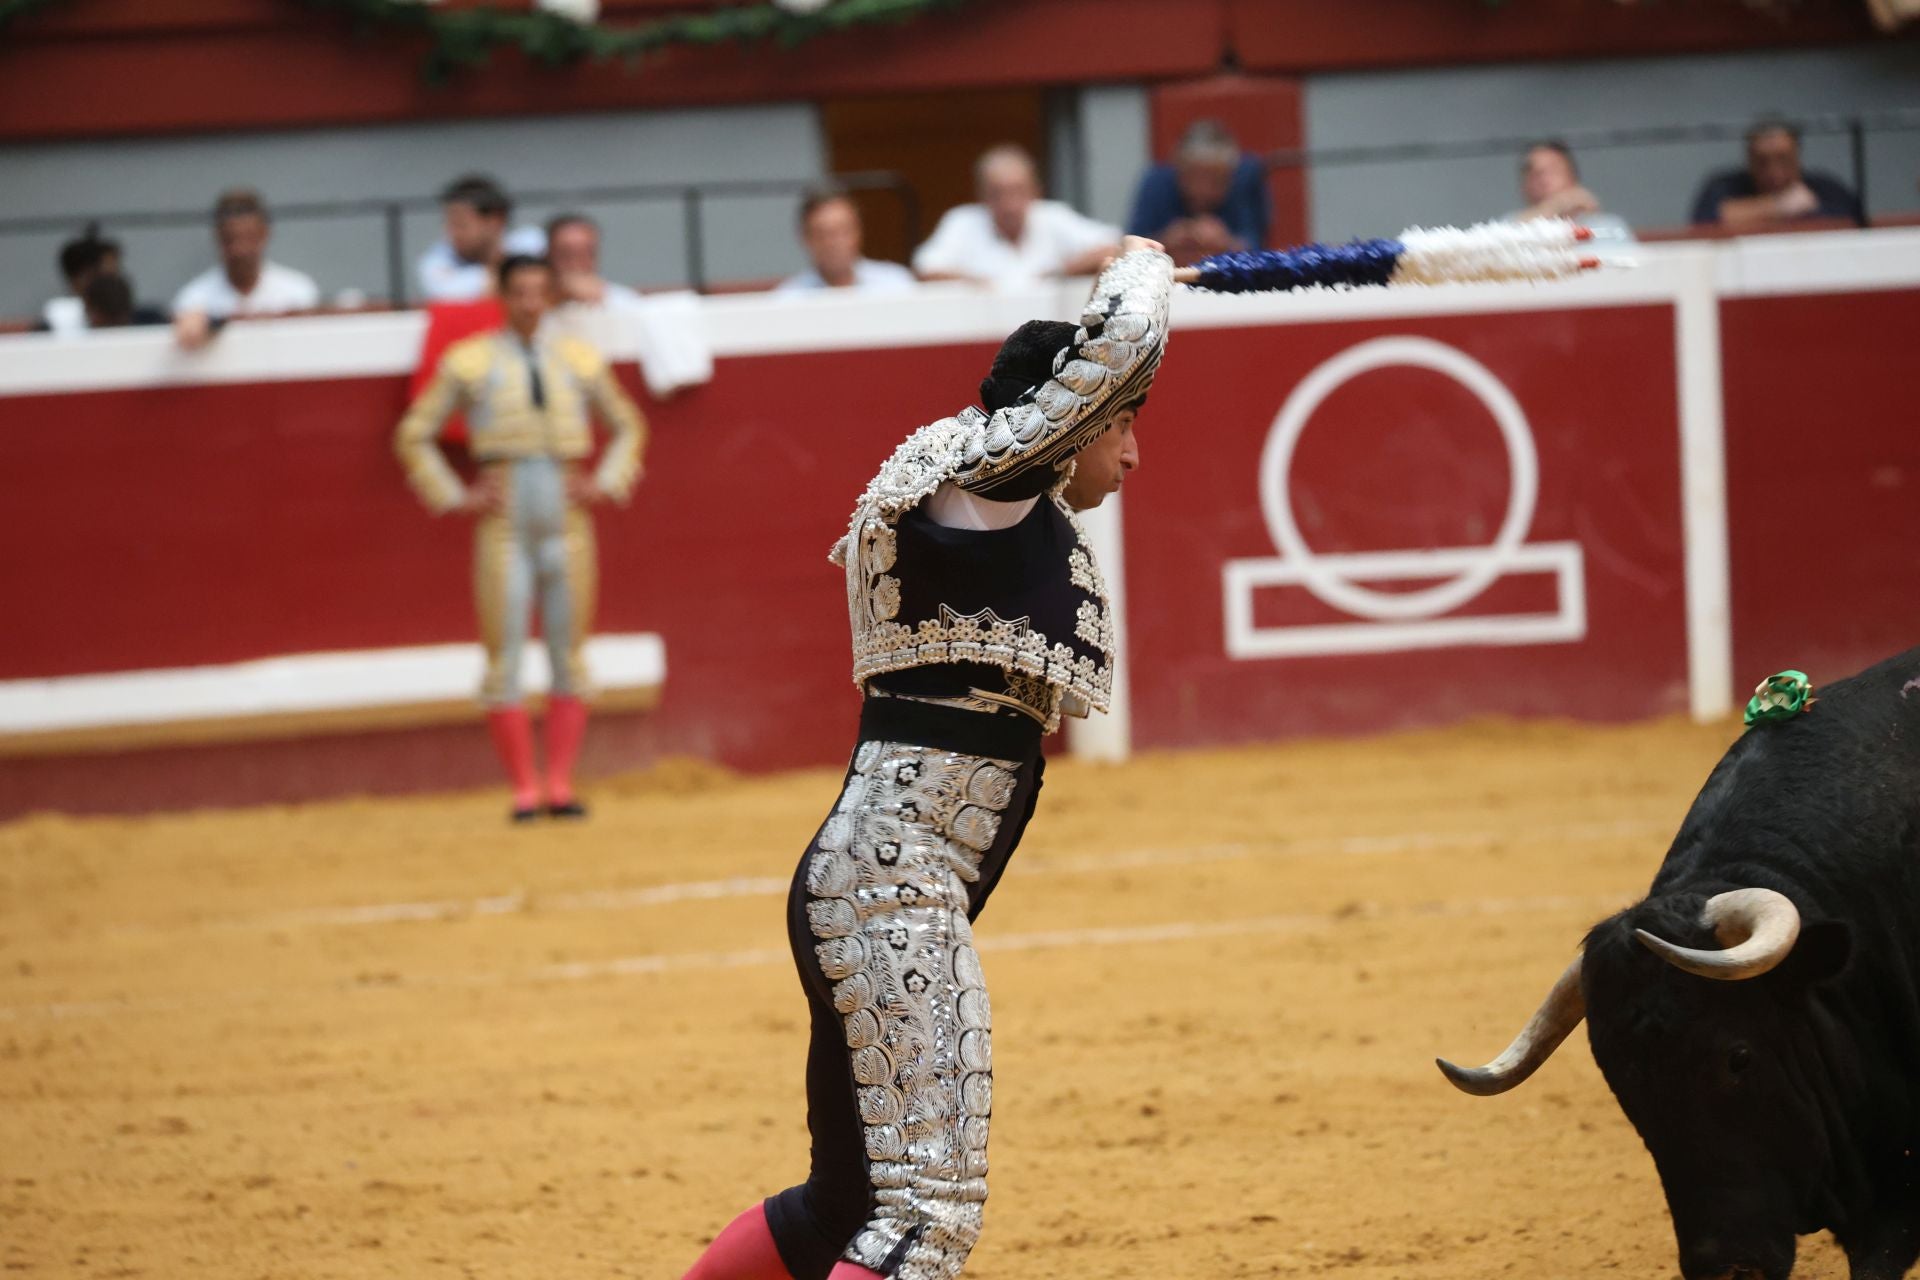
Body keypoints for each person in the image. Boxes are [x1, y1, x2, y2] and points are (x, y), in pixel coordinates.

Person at [679, 236, 1171, 1280]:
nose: (1131, 452)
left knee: (843, 1205)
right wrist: (1144, 260)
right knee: (926, 1219)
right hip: (895, 891)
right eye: (1122, 424)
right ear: (1068, 417)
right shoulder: (979, 482)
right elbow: (1122, 337)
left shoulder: (991, 504)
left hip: (869, 880)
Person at [393, 255, 649, 822]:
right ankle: (523, 790)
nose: (531, 303)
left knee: (569, 652)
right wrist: (456, 495)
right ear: (504, 299)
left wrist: (605, 480)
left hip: (567, 517)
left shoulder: (578, 359)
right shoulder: (470, 361)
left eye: (539, 293)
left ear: (549, 299)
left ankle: (559, 784)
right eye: (521, 294)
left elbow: (630, 424)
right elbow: (415, 433)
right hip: (503, 521)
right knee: (503, 653)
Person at [911, 144, 1120, 286]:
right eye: (997, 193)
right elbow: (925, 269)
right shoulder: (962, 221)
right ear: (982, 196)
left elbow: (1113, 247)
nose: (1009, 204)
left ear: (1035, 192)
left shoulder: (1054, 216)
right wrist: (978, 285)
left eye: (1018, 191)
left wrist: (1059, 273)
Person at [1125, 118, 1270, 263]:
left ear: (1231, 175)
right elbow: (1131, 249)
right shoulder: (1156, 183)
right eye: (1193, 178)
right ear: (1178, 170)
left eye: (1215, 181)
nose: (1203, 190)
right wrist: (1165, 241)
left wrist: (1226, 242)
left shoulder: (1247, 178)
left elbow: (1258, 248)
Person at [171, 189, 320, 319]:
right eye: (231, 239)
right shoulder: (193, 301)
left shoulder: (298, 293)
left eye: (249, 238)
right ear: (218, 238)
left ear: (264, 234)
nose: (240, 250)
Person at [1690, 118, 1863, 229]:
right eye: (1762, 161)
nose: (1773, 171)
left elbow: (1853, 222)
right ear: (1749, 161)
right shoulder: (1723, 186)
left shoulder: (1825, 187)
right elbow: (1704, 221)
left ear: (1798, 156)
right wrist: (1777, 206)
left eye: (1783, 159)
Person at [416, 174, 546, 302]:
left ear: (496, 220)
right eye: (448, 223)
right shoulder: (435, 259)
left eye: (461, 224)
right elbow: (447, 295)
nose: (451, 232)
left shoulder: (533, 241)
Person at [775, 184, 917, 296]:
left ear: (858, 232)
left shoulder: (896, 284)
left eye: (842, 231)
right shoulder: (788, 298)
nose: (833, 243)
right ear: (805, 237)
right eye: (822, 234)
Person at [1509, 140, 1634, 245]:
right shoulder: (1510, 225)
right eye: (1535, 174)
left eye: (1553, 170)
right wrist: (1555, 205)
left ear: (1573, 177)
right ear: (1524, 186)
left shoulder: (1609, 227)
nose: (1544, 180)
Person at [545, 212, 646, 311]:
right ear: (548, 255)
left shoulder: (624, 300)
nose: (576, 264)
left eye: (587, 254)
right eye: (566, 254)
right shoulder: (536, 304)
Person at [37, 225, 122, 335]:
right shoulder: (56, 318)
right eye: (108, 277)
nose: (115, 285)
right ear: (78, 278)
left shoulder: (135, 317)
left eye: (116, 275)